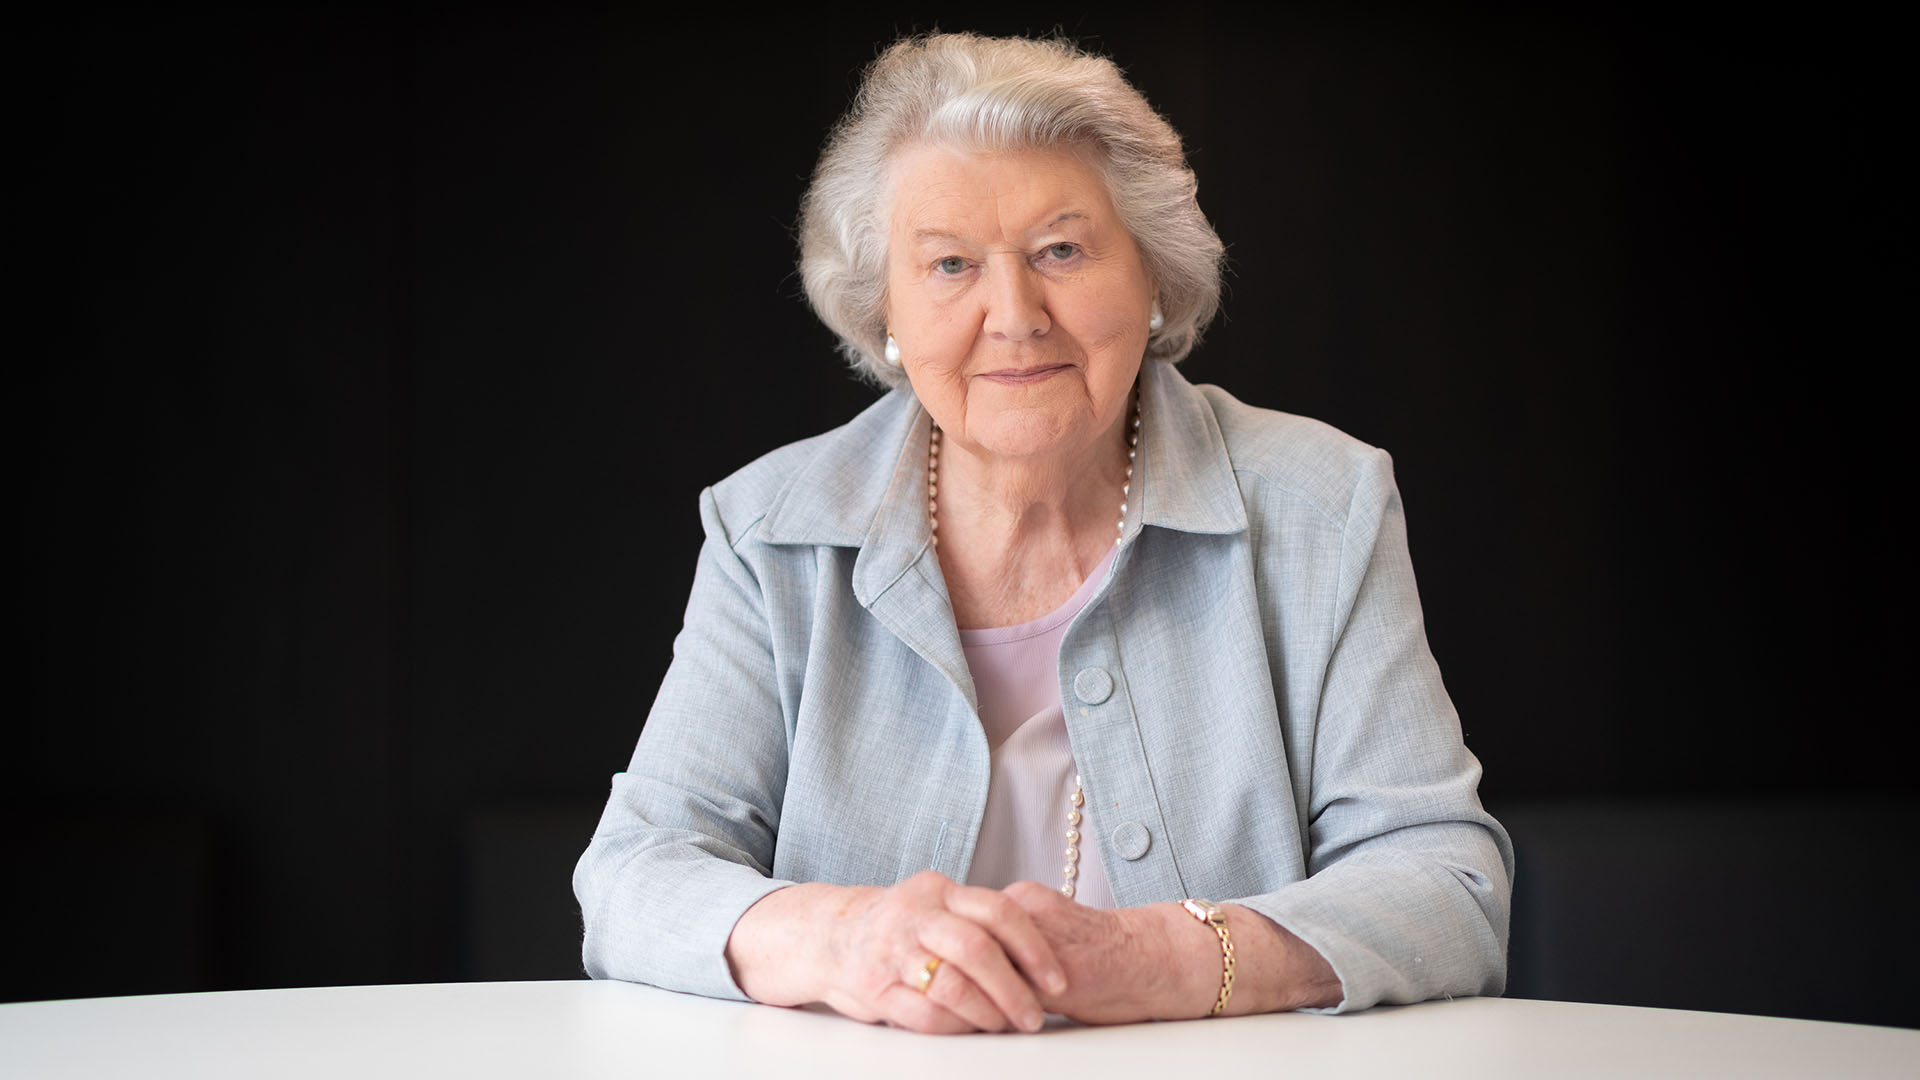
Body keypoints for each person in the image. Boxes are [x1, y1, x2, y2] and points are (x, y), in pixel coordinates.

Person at [574, 32, 1512, 1034]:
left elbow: (1446, 883)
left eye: (1061, 249)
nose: (1013, 314)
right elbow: (635, 874)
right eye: (949, 264)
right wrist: (847, 939)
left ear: (1152, 277)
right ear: (884, 309)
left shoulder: (1319, 506)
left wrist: (1166, 960)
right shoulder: (772, 533)